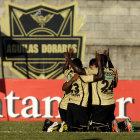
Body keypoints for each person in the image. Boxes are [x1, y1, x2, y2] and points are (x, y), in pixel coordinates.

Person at [63, 52, 103, 132]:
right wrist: (99, 62)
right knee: (83, 129)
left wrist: (68, 59)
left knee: (71, 129)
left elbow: (64, 71)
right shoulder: (83, 76)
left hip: (70, 105)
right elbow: (100, 76)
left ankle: (61, 126)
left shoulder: (69, 74)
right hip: (80, 106)